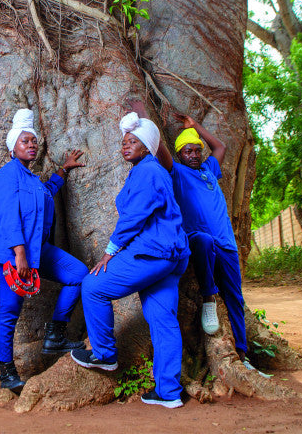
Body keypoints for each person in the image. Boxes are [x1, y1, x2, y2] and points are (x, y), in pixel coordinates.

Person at [71, 112, 189, 409]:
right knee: (163, 321)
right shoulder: (150, 170)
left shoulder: (148, 171)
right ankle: (169, 392)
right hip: (172, 256)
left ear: (147, 147)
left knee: (92, 286)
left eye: (133, 141)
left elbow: (134, 217)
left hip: (153, 253)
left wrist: (110, 252)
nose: (126, 145)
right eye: (124, 141)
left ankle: (104, 354)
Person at [152, 111, 270, 377]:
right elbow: (160, 150)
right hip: (198, 240)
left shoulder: (209, 170)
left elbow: (221, 147)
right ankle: (208, 297)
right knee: (203, 240)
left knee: (235, 298)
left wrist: (195, 126)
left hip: (226, 244)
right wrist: (144, 116)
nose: (194, 155)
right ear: (180, 154)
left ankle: (242, 356)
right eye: (188, 151)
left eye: (197, 150)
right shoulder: (177, 172)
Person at [0, 108, 88, 393]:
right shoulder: (6, 176)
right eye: (24, 141)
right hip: (12, 254)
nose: (31, 145)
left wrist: (64, 170)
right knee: (9, 310)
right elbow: (8, 216)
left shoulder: (31, 179)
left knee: (78, 274)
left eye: (33, 141)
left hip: (37, 251)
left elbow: (45, 193)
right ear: (13, 147)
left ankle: (55, 334)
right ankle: (6, 373)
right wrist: (19, 253)